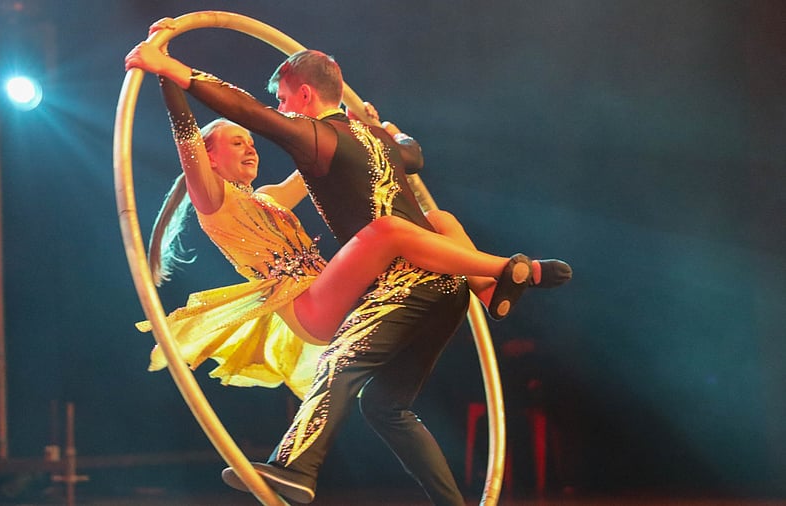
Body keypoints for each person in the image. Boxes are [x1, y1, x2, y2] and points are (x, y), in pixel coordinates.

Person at [126, 19, 570, 505]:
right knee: (387, 231)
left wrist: (374, 131)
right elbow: (188, 132)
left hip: (341, 289)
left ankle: (489, 287)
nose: (250, 146)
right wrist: (165, 70)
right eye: (236, 143)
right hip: (308, 307)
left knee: (437, 221)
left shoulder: (272, 197)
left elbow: (333, 166)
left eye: (250, 143)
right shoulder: (211, 199)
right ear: (208, 159)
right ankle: (503, 268)